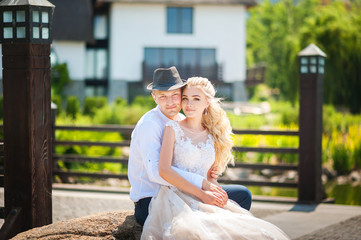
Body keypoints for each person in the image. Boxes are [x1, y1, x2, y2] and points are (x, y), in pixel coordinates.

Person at [141, 77, 290, 239]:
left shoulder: (212, 135)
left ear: (207, 102)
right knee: (191, 228)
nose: (189, 104)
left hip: (203, 193)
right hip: (177, 195)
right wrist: (203, 194)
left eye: (196, 99)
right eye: (185, 98)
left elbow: (209, 177)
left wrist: (214, 189)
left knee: (244, 225)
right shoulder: (172, 128)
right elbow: (163, 170)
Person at [128, 66, 252, 226]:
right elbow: (157, 173)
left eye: (175, 95)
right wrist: (202, 185)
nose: (171, 102)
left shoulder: (181, 119)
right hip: (151, 200)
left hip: (183, 191)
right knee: (198, 220)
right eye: (163, 97)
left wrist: (207, 171)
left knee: (242, 195)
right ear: (154, 97)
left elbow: (185, 159)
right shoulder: (149, 125)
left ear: (181, 94)